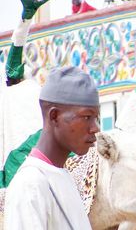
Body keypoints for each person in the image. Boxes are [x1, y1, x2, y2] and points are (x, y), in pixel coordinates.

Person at [4, 66, 100, 229]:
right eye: (87, 117)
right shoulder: (30, 185)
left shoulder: (63, 177)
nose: (95, 128)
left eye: (96, 118)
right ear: (54, 116)